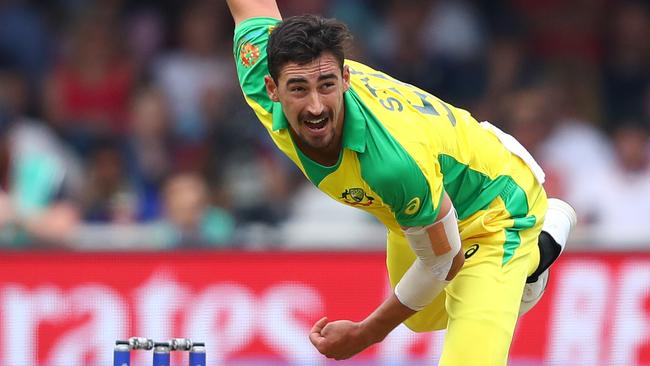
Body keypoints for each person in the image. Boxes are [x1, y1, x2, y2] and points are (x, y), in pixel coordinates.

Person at [225, 1, 577, 365]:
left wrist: (366, 333)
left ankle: (532, 247)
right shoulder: (257, 65)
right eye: (298, 89)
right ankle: (535, 260)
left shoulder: (391, 165)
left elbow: (445, 261)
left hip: (497, 209)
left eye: (326, 85)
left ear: (345, 79)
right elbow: (250, 7)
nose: (316, 107)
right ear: (272, 88)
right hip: (425, 197)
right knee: (421, 314)